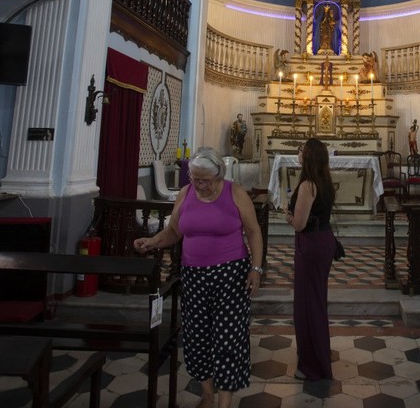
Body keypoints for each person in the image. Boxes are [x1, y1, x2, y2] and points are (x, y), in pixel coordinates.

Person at [134, 147, 263, 408]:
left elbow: (253, 231)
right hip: (193, 276)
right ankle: (207, 391)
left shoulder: (234, 192)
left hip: (230, 275)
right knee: (196, 337)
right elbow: (174, 231)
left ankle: (223, 402)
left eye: (205, 180)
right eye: (195, 179)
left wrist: (256, 269)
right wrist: (152, 242)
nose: (200, 185)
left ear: (218, 176)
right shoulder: (186, 193)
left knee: (229, 338)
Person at [284, 137, 336, 381]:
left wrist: (288, 216)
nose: (299, 152)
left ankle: (312, 367)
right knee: (317, 302)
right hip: (324, 241)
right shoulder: (324, 181)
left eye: (301, 149)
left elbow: (300, 224)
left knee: (307, 306)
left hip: (312, 245)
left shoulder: (307, 185)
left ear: (309, 156)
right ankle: (318, 357)